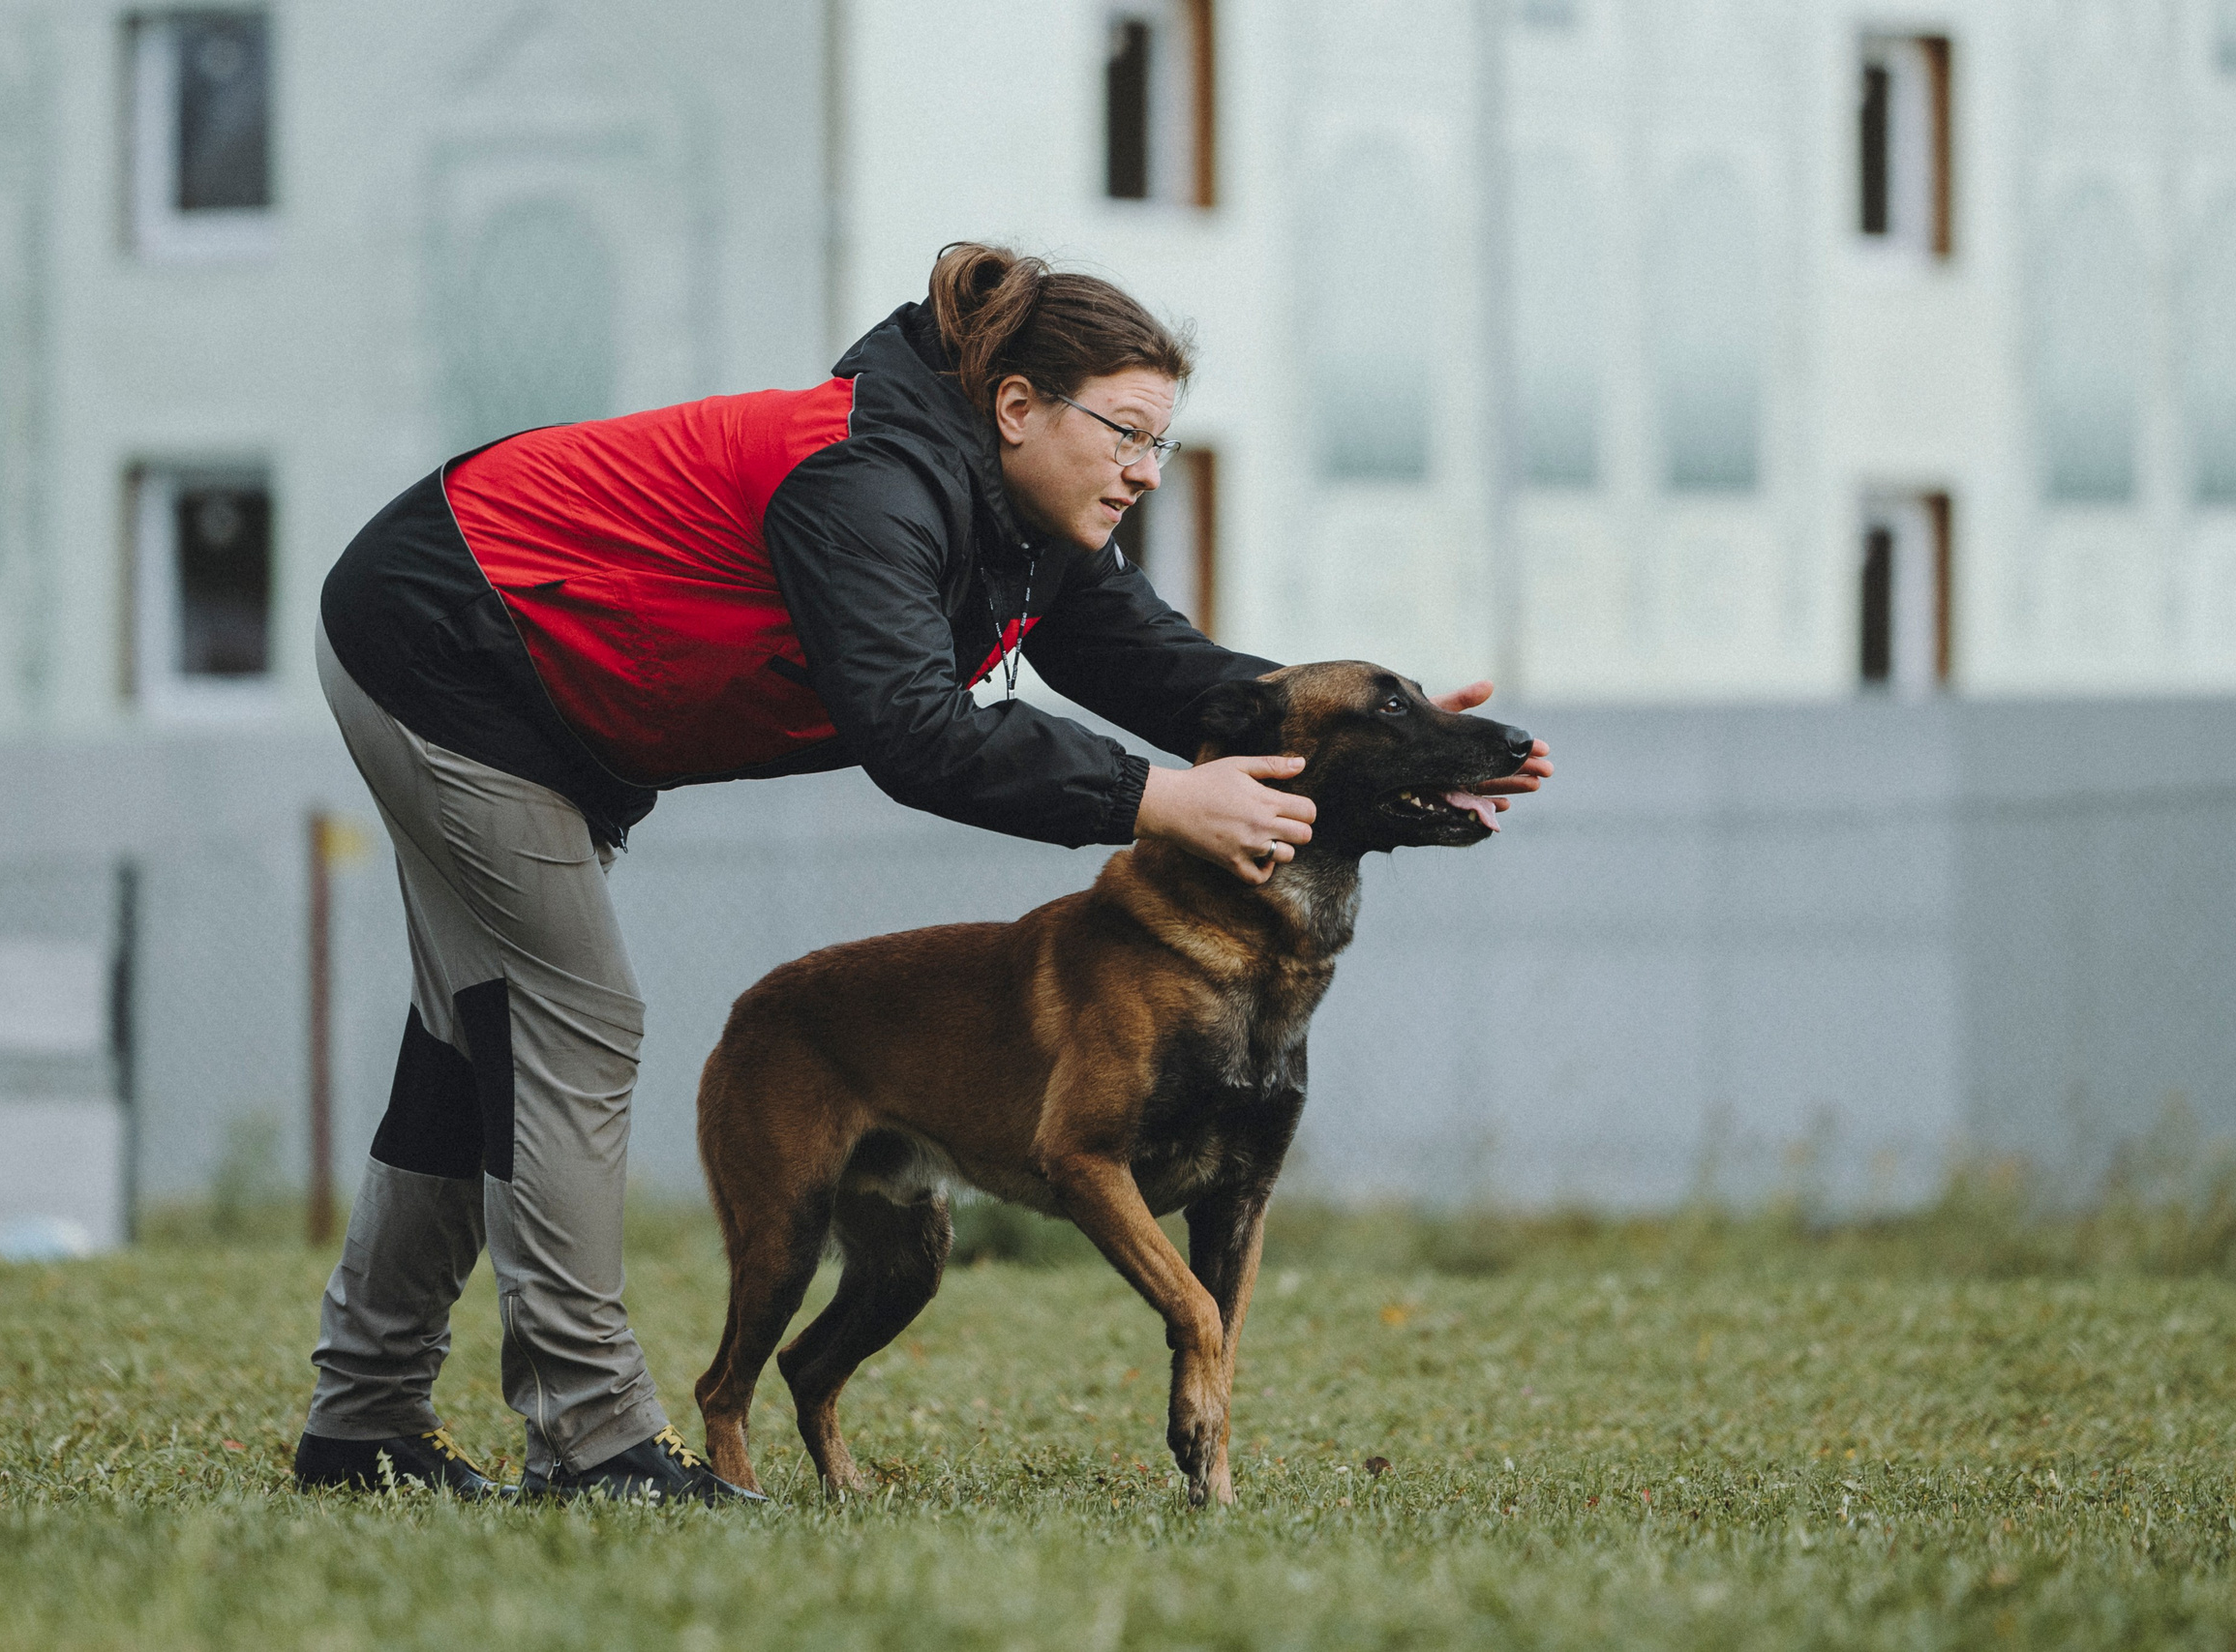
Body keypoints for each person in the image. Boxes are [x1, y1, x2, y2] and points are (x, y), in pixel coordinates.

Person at [291, 242, 1554, 1504]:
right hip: (451, 634)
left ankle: (364, 1421)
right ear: (1017, 406)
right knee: (570, 1024)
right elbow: (913, 729)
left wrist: (1375, 739)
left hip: (493, 658)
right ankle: (591, 1441)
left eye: (1162, 442)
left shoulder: (1023, 523)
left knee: (472, 1042)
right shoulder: (871, 487)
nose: (1147, 470)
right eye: (1125, 432)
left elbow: (1161, 669)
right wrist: (1158, 797)